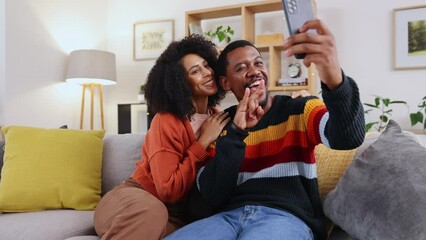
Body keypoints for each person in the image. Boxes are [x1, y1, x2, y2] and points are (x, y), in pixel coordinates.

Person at [165, 19, 365, 240]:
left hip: (285, 217)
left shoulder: (300, 109)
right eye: (241, 68)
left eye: (258, 63)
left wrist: (334, 79)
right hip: (227, 219)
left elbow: (347, 138)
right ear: (226, 83)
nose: (254, 72)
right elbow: (211, 195)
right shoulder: (219, 125)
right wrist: (236, 133)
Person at [93, 34, 231, 240]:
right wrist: (202, 143)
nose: (207, 73)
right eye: (195, 71)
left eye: (206, 65)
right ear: (181, 83)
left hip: (174, 215)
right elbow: (168, 190)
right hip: (131, 199)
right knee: (153, 212)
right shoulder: (166, 120)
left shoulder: (217, 118)